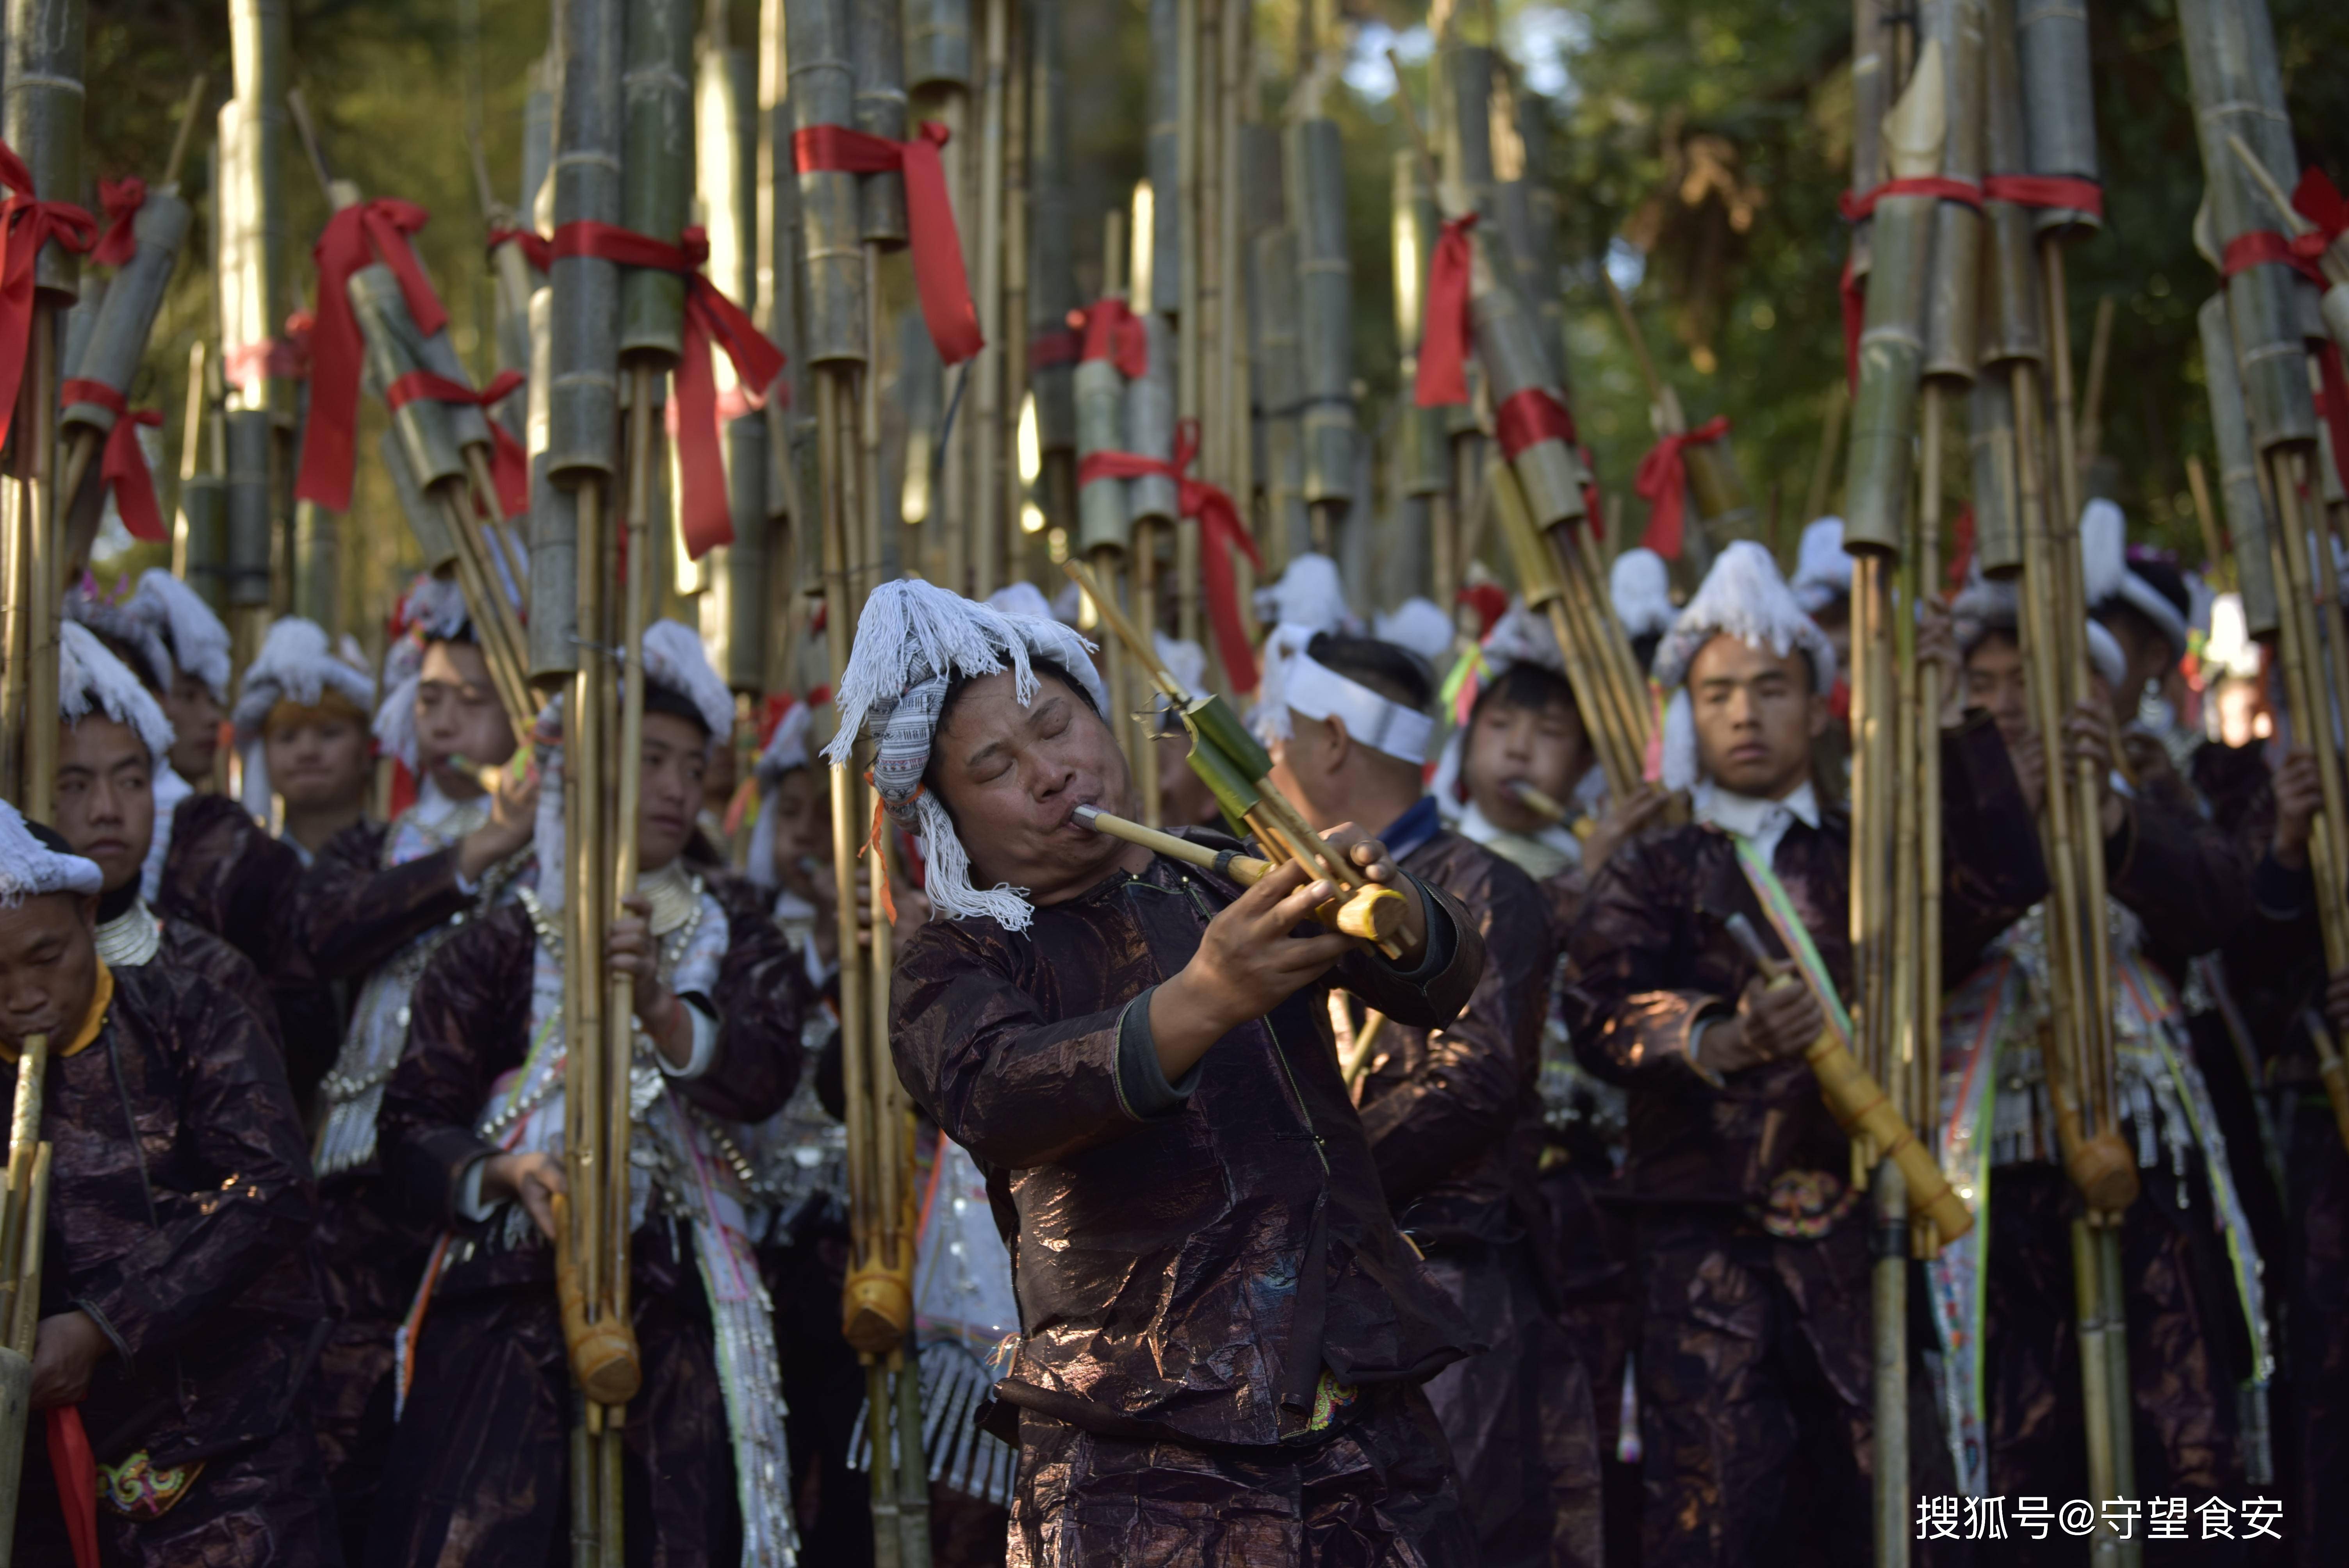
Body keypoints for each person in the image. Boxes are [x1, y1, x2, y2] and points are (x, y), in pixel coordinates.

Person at [866, 579, 1487, 1565]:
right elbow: (992, 1091)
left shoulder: (1214, 868)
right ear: (945, 816)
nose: (1048, 773)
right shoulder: (960, 951)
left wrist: (1404, 916)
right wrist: (1203, 996)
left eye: (1055, 725)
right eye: (994, 766)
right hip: (1138, 1436)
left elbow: (1440, 986)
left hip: (1357, 1392)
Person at [1561, 542, 2046, 1566]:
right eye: (1720, 692)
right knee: (1713, 1514)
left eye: (1771, 689)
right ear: (1687, 712)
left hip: (1863, 1231)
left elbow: (2001, 887)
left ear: (1818, 704)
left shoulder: (1877, 858)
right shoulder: (1657, 865)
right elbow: (1597, 1007)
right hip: (1703, 1255)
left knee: (1885, 1514)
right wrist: (1718, 1037)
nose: (1745, 713)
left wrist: (1960, 722)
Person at [371, 620, 810, 1565]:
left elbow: (766, 1069)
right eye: (649, 757)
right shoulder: (500, 933)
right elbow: (410, 1125)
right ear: (593, 764)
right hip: (510, 1285)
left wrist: (658, 1003)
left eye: (692, 767)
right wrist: (502, 1171)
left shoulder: (739, 926)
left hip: (683, 1286)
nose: (673, 786)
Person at [1941, 581, 2272, 1557]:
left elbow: (2219, 906)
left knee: (2180, 1422)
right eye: (1984, 679)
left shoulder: (2150, 779)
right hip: (1999, 1165)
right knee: (2022, 1436)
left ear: (2088, 687)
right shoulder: (1929, 806)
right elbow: (1915, 948)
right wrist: (2007, 821)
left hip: (2148, 1149)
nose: (2005, 699)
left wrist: (2107, 817)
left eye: (2026, 678)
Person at [1261, 625, 1601, 1568]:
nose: (1272, 760)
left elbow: (1475, 1078)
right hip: (1308, 1294)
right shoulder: (1273, 887)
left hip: (1445, 1286)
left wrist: (1306, 1175)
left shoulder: (1487, 887)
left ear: (1331, 739)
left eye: (1281, 738)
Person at [0, 800, 337, 1565]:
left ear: (89, 913)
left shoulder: (192, 1013)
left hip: (222, 1442)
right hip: (30, 1469)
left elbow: (271, 1190)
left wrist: (101, 1325)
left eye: (45, 956)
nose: (22, 995)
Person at [291, 575, 538, 1561]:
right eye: (431, 695)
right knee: (340, 1420)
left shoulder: (557, 852)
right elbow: (321, 931)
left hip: (476, 1173)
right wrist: (483, 845)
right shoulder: (373, 841)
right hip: (354, 1181)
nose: (443, 719)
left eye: (472, 700)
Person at [50, 621, 282, 1047]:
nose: (107, 811)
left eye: (131, 781)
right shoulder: (16, 982)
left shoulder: (210, 978)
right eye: (75, 786)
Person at [233, 618, 378, 865]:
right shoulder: (247, 873)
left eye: (329, 733)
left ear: (366, 748)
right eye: (287, 737)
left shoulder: (400, 858)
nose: (307, 752)